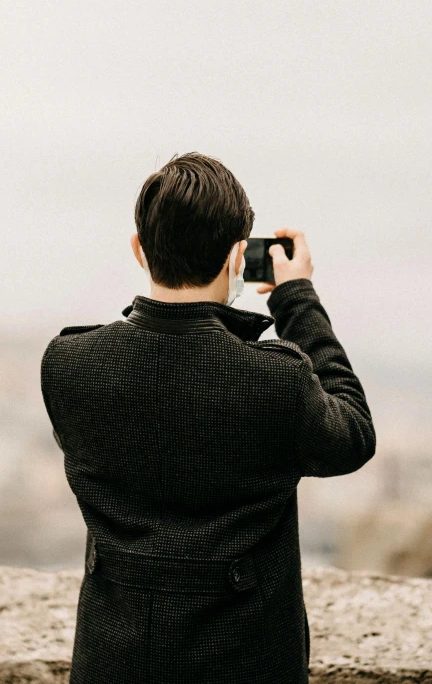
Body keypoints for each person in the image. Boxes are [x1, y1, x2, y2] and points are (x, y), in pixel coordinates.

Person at [40, 151, 376, 684]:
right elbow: (353, 434)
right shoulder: (273, 380)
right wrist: (295, 298)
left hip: (113, 662)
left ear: (139, 250)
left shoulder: (69, 366)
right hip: (246, 664)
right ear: (238, 257)